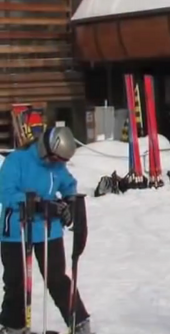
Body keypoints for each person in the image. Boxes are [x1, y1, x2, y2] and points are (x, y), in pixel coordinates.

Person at [0, 126, 91, 334]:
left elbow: (69, 184)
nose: (57, 165)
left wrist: (69, 202)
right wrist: (37, 203)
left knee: (57, 278)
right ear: (45, 150)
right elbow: (5, 193)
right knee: (16, 282)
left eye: (61, 162)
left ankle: (79, 321)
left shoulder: (57, 166)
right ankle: (13, 326)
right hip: (17, 230)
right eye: (55, 160)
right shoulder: (17, 161)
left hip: (49, 229)